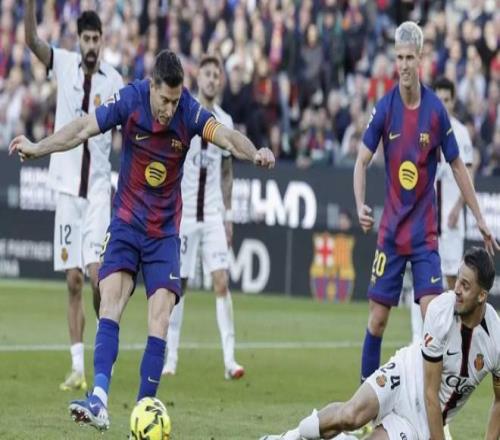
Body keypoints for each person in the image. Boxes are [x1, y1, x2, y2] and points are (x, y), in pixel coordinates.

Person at [9, 49, 275, 432]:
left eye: (175, 100)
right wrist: (38, 147)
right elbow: (82, 128)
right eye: (164, 100)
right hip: (127, 223)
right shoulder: (130, 99)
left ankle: (144, 410)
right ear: (152, 87)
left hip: (164, 233)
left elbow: (228, 138)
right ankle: (99, 399)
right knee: (110, 299)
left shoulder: (190, 111)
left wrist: (255, 152)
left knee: (160, 319)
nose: (169, 109)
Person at [353, 21, 498, 384]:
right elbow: (360, 161)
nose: (403, 65)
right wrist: (360, 204)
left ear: (421, 59)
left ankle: (431, 403)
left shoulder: (435, 110)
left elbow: (459, 166)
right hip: (390, 234)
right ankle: (365, 398)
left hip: (423, 236)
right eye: (399, 58)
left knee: (434, 320)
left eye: (409, 58)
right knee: (377, 319)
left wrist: (479, 218)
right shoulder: (385, 108)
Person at [260, 246, 500, 440]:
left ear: (482, 295)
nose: (456, 290)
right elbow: (430, 392)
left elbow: (499, 400)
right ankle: (291, 436)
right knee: (351, 415)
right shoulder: (440, 311)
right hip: (404, 376)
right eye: (457, 281)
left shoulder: (496, 340)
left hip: (421, 423)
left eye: (465, 286)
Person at [23, 0, 124, 391]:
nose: (91, 45)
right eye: (86, 39)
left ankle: (104, 341)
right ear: (78, 40)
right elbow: (32, 41)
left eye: (97, 39)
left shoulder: (113, 81)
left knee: (98, 278)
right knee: (73, 281)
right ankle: (78, 366)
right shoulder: (63, 63)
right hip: (67, 190)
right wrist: (30, 6)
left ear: (103, 41)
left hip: (98, 191)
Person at [162, 55, 244, 379]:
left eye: (216, 75)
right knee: (179, 285)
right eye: (207, 74)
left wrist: (228, 216)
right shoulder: (184, 112)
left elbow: (226, 172)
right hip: (183, 214)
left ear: (220, 81)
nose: (211, 79)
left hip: (212, 213)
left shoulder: (225, 120)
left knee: (221, 281)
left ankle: (230, 360)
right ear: (198, 78)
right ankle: (171, 358)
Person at [411, 76, 475, 344]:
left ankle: (452, 339)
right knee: (422, 279)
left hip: (449, 222)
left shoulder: (459, 133)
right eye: (438, 99)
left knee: (452, 282)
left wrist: (459, 207)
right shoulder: (422, 129)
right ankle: (419, 339)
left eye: (447, 100)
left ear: (453, 101)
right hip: (426, 221)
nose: (442, 104)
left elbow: (468, 174)